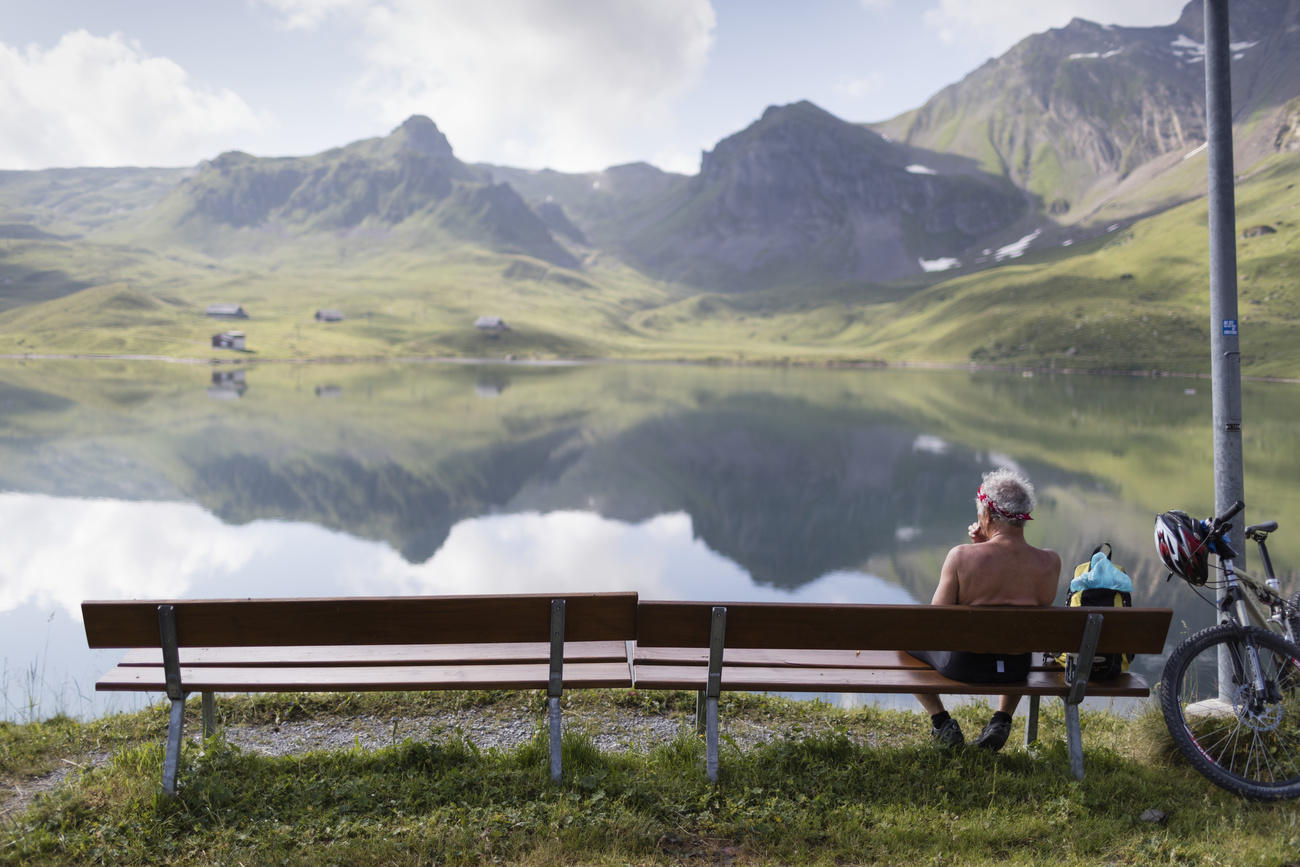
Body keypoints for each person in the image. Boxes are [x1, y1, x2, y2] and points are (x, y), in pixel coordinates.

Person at [909, 468, 1060, 751]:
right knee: (1016, 639)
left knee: (905, 636)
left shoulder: (961, 557)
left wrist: (975, 550)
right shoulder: (1050, 563)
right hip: (1016, 669)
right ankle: (1002, 719)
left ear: (988, 516)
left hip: (965, 667)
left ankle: (941, 722)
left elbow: (934, 622)